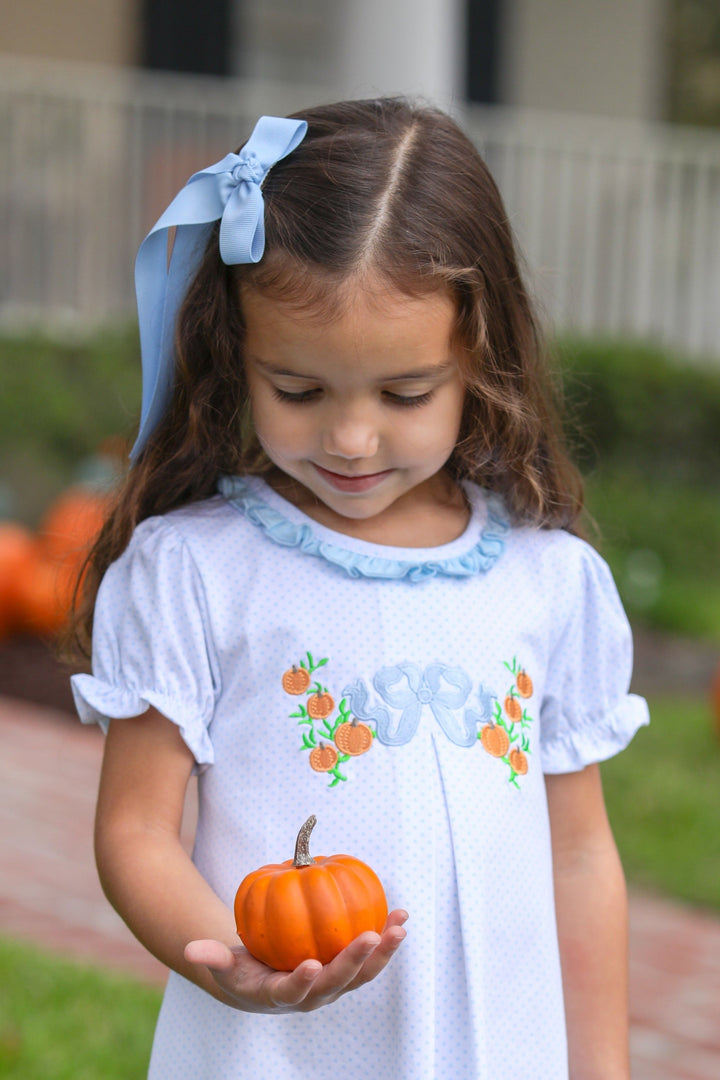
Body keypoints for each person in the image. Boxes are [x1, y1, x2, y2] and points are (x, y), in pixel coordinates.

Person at [70, 98, 649, 1079]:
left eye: (404, 394)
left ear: (479, 361)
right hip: (278, 1052)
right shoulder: (195, 572)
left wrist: (601, 1067)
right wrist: (225, 957)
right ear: (236, 359)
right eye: (298, 389)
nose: (349, 438)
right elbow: (134, 826)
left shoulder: (548, 582)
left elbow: (581, 859)